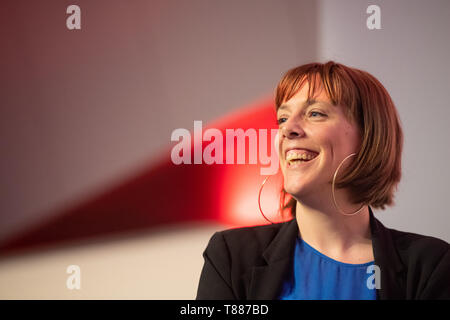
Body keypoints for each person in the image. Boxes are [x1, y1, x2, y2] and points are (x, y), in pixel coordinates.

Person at [196, 61, 450, 300]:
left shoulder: (431, 264)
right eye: (282, 118)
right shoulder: (231, 256)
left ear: (369, 136)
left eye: (315, 113)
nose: (288, 129)